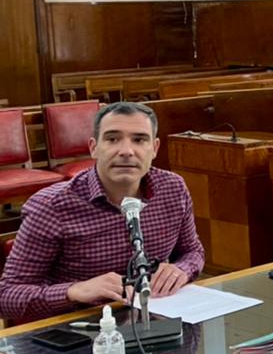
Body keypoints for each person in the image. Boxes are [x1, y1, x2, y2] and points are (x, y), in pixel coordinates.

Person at [0, 102, 205, 324]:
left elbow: (192, 251)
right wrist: (74, 291)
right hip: (78, 330)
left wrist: (181, 269)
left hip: (153, 320)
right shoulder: (51, 206)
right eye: (112, 139)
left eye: (139, 140)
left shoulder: (173, 189)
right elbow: (8, 296)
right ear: (94, 147)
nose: (126, 151)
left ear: (154, 148)